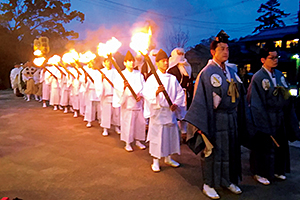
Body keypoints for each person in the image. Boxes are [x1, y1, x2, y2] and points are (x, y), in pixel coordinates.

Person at [184, 30, 243, 199]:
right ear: (213, 52)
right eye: (222, 49)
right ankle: (208, 183)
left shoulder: (231, 72)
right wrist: (200, 125)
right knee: (212, 152)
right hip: (213, 118)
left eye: (227, 49)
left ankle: (227, 180)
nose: (225, 52)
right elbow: (199, 100)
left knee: (230, 150)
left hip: (230, 118)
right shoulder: (206, 72)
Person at [247, 43, 300, 185]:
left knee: (280, 144)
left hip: (279, 115)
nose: (275, 60)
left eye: (277, 57)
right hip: (265, 115)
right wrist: (262, 122)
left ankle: (278, 170)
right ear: (263, 60)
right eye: (272, 57)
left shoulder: (279, 75)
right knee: (263, 146)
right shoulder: (258, 77)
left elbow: (287, 96)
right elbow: (255, 102)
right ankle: (259, 173)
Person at [144, 49, 185, 172]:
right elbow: (146, 94)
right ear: (157, 63)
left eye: (167, 61)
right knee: (158, 137)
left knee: (170, 136)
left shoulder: (172, 78)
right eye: (163, 61)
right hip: (158, 112)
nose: (166, 63)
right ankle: (155, 160)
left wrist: (176, 104)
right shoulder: (152, 78)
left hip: (170, 112)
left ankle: (168, 157)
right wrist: (156, 92)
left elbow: (180, 93)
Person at [115, 51, 146, 152]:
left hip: (138, 103)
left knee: (139, 123)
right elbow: (117, 88)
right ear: (125, 63)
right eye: (129, 61)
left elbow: (143, 86)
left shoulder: (139, 74)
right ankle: (127, 142)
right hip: (127, 102)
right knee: (128, 123)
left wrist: (140, 94)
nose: (132, 63)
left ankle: (138, 140)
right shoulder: (121, 75)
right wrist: (123, 88)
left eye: (132, 61)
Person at [167, 47, 194, 142]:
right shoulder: (171, 69)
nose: (181, 56)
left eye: (182, 54)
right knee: (175, 114)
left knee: (184, 114)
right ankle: (174, 135)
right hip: (175, 95)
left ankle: (184, 133)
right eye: (179, 54)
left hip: (186, 94)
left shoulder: (188, 66)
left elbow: (191, 79)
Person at [98, 58, 121, 136]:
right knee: (106, 112)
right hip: (106, 95)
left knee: (116, 112)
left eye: (110, 61)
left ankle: (116, 126)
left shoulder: (116, 71)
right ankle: (105, 128)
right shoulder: (101, 72)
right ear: (104, 62)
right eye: (107, 61)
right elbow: (98, 83)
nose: (109, 63)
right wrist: (101, 78)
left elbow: (119, 82)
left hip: (115, 95)